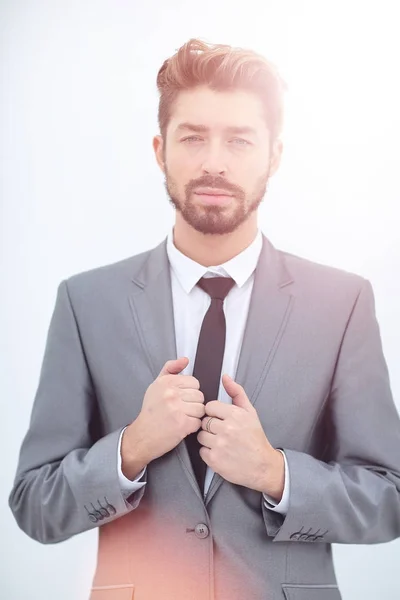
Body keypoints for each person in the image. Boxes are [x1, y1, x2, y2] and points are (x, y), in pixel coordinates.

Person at [9, 38, 400, 600]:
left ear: (275, 155)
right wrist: (131, 448)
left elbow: (388, 499)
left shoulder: (342, 304)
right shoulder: (85, 302)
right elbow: (33, 505)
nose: (214, 161)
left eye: (240, 140)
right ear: (159, 149)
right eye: (192, 137)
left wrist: (275, 473)